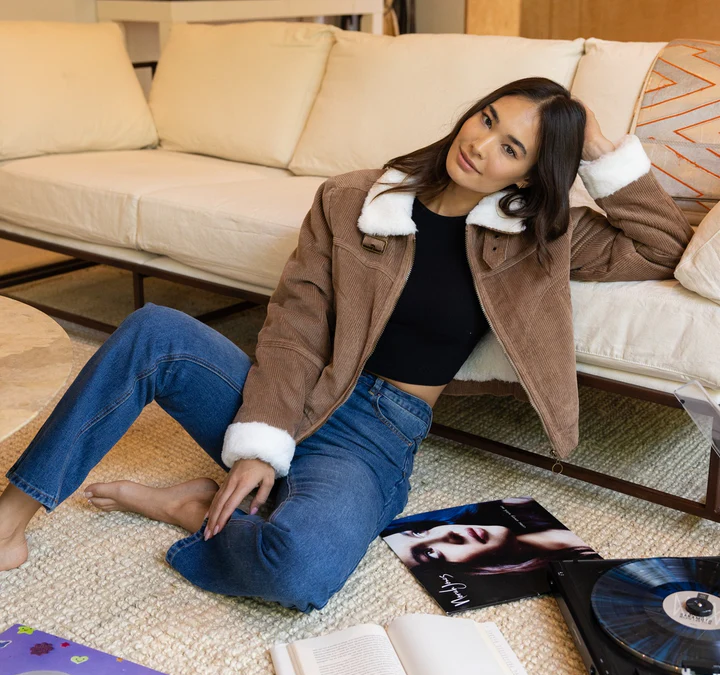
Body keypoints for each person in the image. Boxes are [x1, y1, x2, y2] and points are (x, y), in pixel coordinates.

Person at [0, 77, 692, 612]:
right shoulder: (352, 199)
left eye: (513, 147)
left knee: (299, 572)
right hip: (293, 393)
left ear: (528, 175)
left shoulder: (539, 236)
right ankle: (11, 518)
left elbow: (660, 245)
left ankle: (192, 506)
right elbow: (298, 323)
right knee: (154, 330)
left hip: (378, 434)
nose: (481, 145)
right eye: (488, 119)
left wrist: (600, 149)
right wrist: (263, 433)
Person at [381, 497, 599, 576]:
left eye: (419, 532)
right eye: (430, 553)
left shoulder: (518, 505)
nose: (448, 534)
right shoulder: (578, 573)